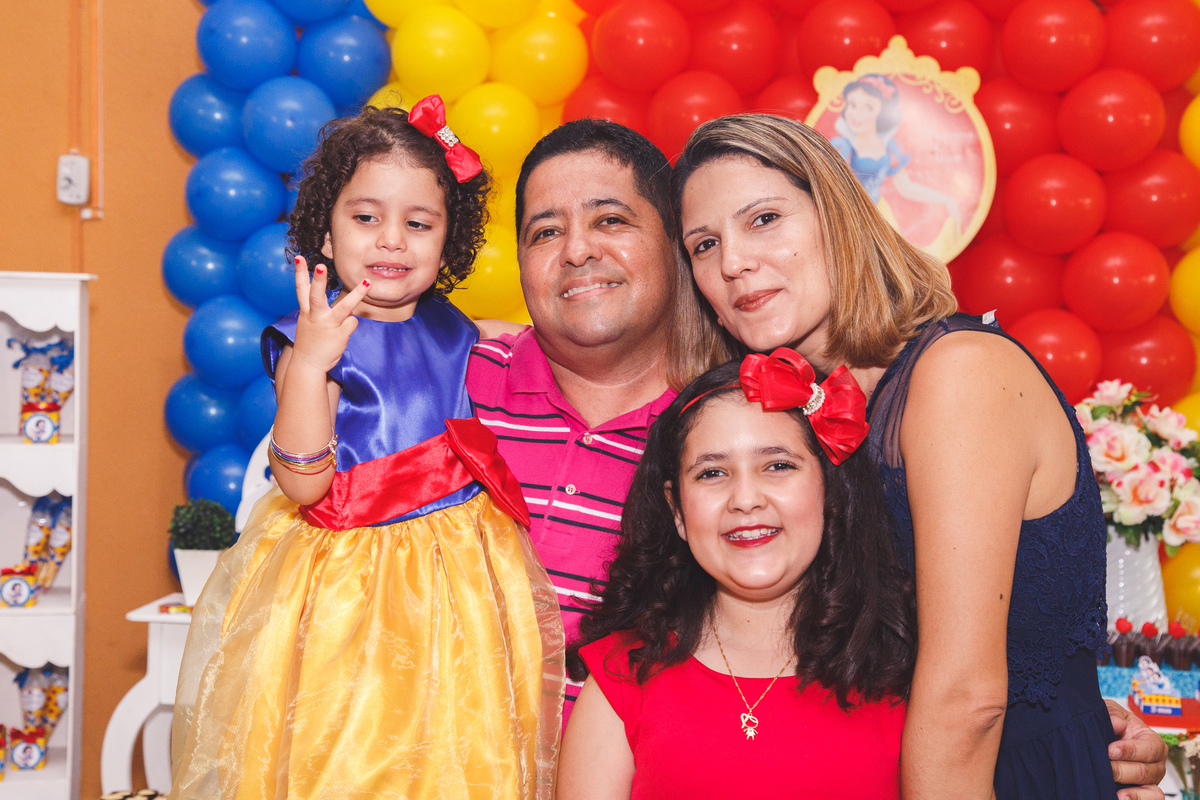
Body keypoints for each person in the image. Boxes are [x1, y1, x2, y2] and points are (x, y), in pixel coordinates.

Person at [670, 112, 1167, 799]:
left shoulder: (959, 372)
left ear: (837, 218)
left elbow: (967, 699)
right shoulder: (802, 415)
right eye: (704, 244)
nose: (732, 262)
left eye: (764, 220)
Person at [169, 100, 564, 800]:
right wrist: (311, 363)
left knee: (455, 747)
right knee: (350, 748)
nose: (391, 241)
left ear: (448, 240)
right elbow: (302, 483)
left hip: (460, 581)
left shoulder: (456, 328)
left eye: (418, 224)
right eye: (366, 217)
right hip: (351, 586)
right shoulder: (312, 339)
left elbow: (525, 347)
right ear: (326, 230)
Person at [557, 352, 915, 798]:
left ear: (830, 489)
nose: (745, 499)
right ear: (677, 511)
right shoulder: (623, 676)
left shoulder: (909, 674)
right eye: (712, 473)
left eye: (778, 465)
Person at [465, 119, 720, 717]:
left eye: (610, 220)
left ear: (675, 242)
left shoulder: (728, 431)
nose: (577, 251)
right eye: (546, 232)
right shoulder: (453, 382)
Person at [830, 74, 961, 249]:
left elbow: (906, 188)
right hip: (849, 216)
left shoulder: (891, 148)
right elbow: (829, 187)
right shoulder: (842, 146)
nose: (856, 114)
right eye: (852, 105)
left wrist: (945, 199)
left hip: (878, 215)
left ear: (882, 114)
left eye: (868, 107)